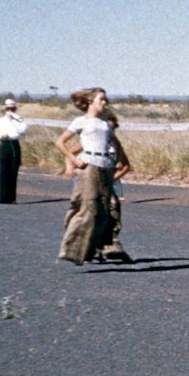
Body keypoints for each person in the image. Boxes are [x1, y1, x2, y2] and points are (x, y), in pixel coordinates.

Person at [55, 88, 128, 265]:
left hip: (106, 167)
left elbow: (117, 145)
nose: (105, 103)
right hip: (89, 166)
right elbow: (60, 142)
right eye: (101, 99)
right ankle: (72, 250)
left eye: (105, 99)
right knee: (88, 208)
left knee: (104, 211)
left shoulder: (104, 124)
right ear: (90, 101)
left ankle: (95, 250)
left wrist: (118, 161)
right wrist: (73, 160)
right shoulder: (81, 121)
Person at [0, 98, 28, 204]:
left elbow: (21, 131)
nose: (10, 110)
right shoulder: (0, 121)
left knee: (13, 171)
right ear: (5, 109)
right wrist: (1, 136)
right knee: (3, 171)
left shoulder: (20, 120)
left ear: (15, 108)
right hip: (4, 144)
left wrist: (13, 120)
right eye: (8, 108)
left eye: (12, 108)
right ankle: (2, 197)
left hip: (14, 144)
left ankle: (11, 198)